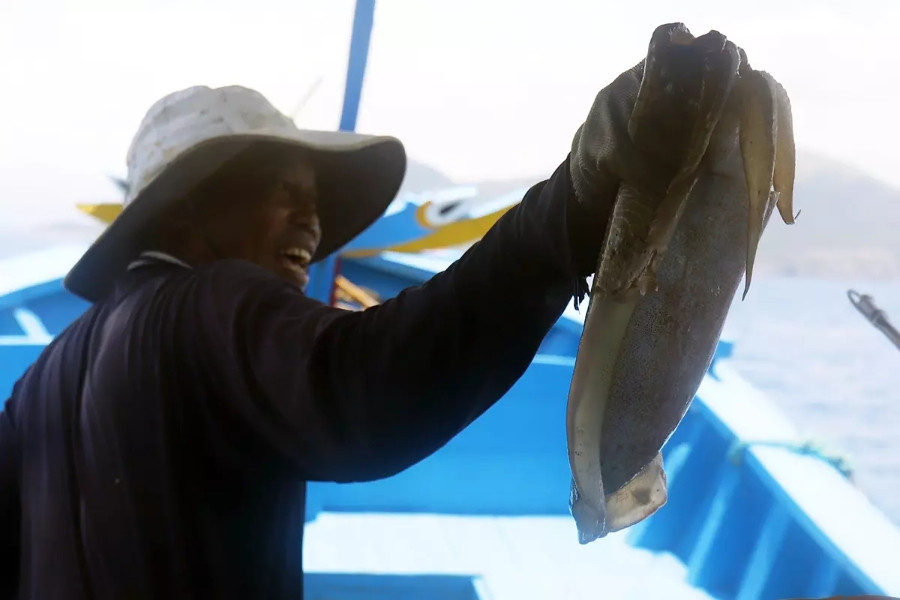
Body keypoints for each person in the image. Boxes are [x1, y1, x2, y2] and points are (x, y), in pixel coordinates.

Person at [0, 60, 661, 599]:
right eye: (283, 191)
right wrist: (570, 210)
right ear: (184, 212)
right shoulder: (210, 301)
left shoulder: (33, 387)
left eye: (315, 204)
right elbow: (363, 392)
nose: (311, 224)